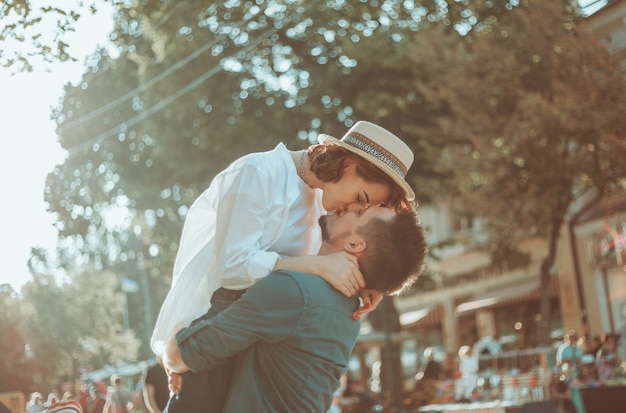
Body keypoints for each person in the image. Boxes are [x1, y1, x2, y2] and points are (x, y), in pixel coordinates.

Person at [151, 121, 417, 412]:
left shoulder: (322, 202)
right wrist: (314, 265)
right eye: (360, 198)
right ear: (348, 162)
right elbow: (233, 268)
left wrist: (371, 284)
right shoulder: (257, 173)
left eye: (363, 209)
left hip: (254, 348)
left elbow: (344, 256)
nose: (350, 208)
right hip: (211, 326)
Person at [164, 204, 427, 413]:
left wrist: (171, 339)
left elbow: (185, 353)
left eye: (359, 212)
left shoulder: (294, 291)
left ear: (356, 245)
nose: (347, 206)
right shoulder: (348, 307)